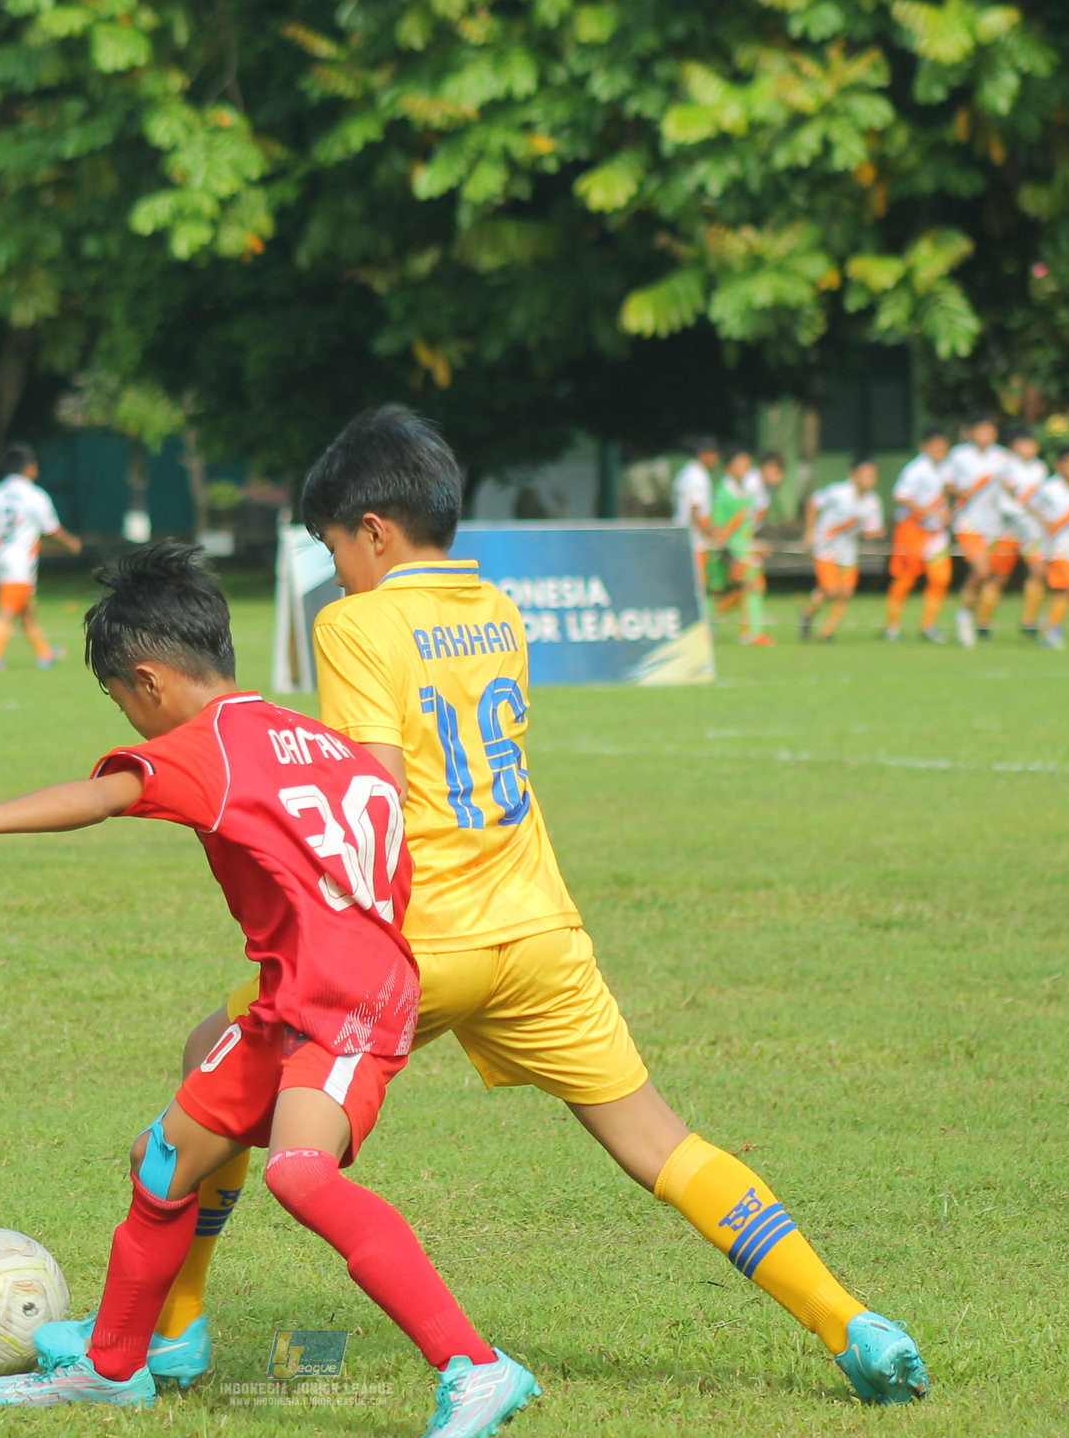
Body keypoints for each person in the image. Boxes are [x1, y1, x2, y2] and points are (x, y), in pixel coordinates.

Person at [53, 406, 928, 1407]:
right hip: (539, 928)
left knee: (215, 1081)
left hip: (411, 943)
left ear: (372, 529)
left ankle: (171, 1330)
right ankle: (844, 1317)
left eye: (333, 547)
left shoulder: (355, 622)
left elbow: (370, 791)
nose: (333, 572)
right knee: (661, 1142)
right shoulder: (497, 608)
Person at [0, 543, 541, 1435]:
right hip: (297, 993)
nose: (134, 724)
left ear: (148, 680)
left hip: (345, 1000)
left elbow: (96, 799)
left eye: (122, 703)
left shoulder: (205, 746)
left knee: (298, 1173)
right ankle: (112, 1368)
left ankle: (476, 1366)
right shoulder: (318, 738)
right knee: (165, 1159)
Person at [0, 443, 83, 671]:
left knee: (27, 610)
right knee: (8, 611)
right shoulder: (35, 496)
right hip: (19, 562)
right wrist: (71, 543)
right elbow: (51, 529)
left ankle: (45, 655)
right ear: (30, 468)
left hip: (1, 558)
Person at [801, 456, 884, 643]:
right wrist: (810, 531)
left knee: (845, 592)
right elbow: (813, 504)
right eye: (865, 475)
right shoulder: (838, 492)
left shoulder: (873, 502)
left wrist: (876, 534)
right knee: (830, 590)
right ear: (853, 475)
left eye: (872, 476)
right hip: (826, 547)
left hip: (848, 552)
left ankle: (827, 632)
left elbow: (870, 531)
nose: (869, 480)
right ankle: (807, 613)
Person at [884, 427, 955, 643]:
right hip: (911, 529)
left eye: (943, 447)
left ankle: (928, 625)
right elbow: (901, 496)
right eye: (935, 446)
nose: (939, 451)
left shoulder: (944, 468)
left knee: (941, 578)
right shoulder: (915, 469)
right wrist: (928, 512)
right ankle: (892, 626)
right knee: (906, 578)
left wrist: (945, 513)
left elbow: (944, 493)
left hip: (934, 532)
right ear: (923, 447)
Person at [946, 413, 1008, 647]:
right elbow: (946, 482)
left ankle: (972, 614)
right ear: (972, 433)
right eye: (981, 430)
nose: (986, 435)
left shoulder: (1002, 458)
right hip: (968, 523)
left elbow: (1011, 489)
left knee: (989, 575)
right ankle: (964, 616)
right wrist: (961, 492)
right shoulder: (959, 456)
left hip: (994, 525)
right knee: (981, 571)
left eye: (990, 430)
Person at [1025, 444, 1069, 649]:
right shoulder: (1049, 488)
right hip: (1056, 546)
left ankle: (1051, 623)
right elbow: (1031, 506)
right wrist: (1046, 523)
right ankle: (1052, 625)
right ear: (1059, 466)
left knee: (1064, 589)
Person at [709, 447, 773, 645]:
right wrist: (732, 552)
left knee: (751, 586)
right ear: (729, 468)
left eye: (747, 465)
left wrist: (754, 544)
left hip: (743, 547)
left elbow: (747, 526)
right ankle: (707, 625)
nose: (745, 469)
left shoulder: (747, 492)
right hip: (726, 550)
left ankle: (751, 633)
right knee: (718, 590)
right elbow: (719, 527)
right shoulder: (722, 493)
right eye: (740, 465)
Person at [997, 428, 1049, 638]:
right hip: (1008, 525)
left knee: (1038, 571)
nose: (1029, 449)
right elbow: (1015, 493)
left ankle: (1029, 620)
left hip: (1031, 527)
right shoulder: (1006, 466)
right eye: (1024, 444)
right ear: (1015, 446)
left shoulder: (1040, 468)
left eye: (1032, 444)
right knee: (998, 576)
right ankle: (982, 622)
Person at [670, 435, 718, 561]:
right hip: (693, 542)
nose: (715, 458)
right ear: (703, 454)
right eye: (712, 453)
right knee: (697, 579)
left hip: (686, 538)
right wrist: (710, 535)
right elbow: (694, 511)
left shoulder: (691, 472)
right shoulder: (696, 476)